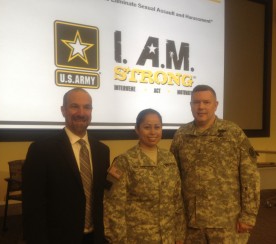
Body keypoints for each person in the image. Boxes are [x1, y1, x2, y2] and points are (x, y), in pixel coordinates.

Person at [170, 84, 260, 244]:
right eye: (196, 102)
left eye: (206, 102)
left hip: (226, 222)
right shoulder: (181, 135)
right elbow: (173, 179)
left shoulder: (233, 133)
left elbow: (250, 177)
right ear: (190, 105)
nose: (201, 107)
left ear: (216, 105)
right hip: (192, 223)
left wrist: (249, 215)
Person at [22, 88, 110, 244]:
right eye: (74, 106)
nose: (81, 113)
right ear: (63, 110)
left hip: (95, 237)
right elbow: (33, 207)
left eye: (87, 107)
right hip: (58, 238)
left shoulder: (102, 151)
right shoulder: (41, 149)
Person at [104, 108, 186, 243]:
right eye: (147, 127)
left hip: (168, 238)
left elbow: (177, 201)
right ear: (137, 129)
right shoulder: (124, 161)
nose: (153, 132)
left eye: (157, 127)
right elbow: (113, 207)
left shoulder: (169, 159)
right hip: (137, 239)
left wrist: (179, 236)